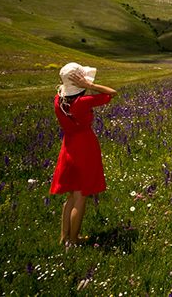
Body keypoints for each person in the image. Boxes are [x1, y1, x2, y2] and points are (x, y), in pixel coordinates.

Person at [50, 62, 117, 246]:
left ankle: (63, 237)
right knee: (80, 197)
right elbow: (112, 93)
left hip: (68, 147)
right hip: (84, 147)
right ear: (79, 84)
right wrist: (90, 85)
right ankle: (74, 240)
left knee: (71, 196)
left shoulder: (58, 100)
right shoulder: (83, 102)